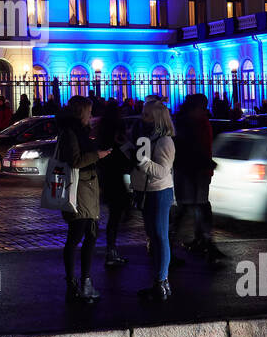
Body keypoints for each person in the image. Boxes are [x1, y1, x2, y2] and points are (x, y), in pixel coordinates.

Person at [55, 95, 108, 301]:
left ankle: (84, 281)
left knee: (90, 236)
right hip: (78, 191)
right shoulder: (71, 132)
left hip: (87, 190)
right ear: (81, 112)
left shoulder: (79, 131)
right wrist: (98, 155)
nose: (91, 115)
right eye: (89, 111)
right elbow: (75, 161)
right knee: (77, 236)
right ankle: (74, 282)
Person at [133, 100, 177, 301]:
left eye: (146, 115)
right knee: (154, 237)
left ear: (157, 118)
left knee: (160, 237)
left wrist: (142, 163)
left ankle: (161, 281)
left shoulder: (165, 141)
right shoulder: (149, 137)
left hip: (159, 191)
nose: (142, 118)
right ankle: (159, 281)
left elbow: (162, 171)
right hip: (147, 191)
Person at [173, 93, 223, 261]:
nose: (205, 110)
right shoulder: (188, 123)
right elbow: (191, 148)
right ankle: (205, 244)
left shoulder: (193, 121)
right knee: (194, 207)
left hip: (197, 171)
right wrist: (207, 162)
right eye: (203, 107)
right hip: (192, 172)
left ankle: (202, 241)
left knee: (195, 207)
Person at [95, 102, 133, 269]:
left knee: (115, 213)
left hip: (107, 175)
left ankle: (111, 249)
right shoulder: (116, 131)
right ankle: (111, 250)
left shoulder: (102, 131)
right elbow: (124, 151)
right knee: (117, 213)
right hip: (115, 175)